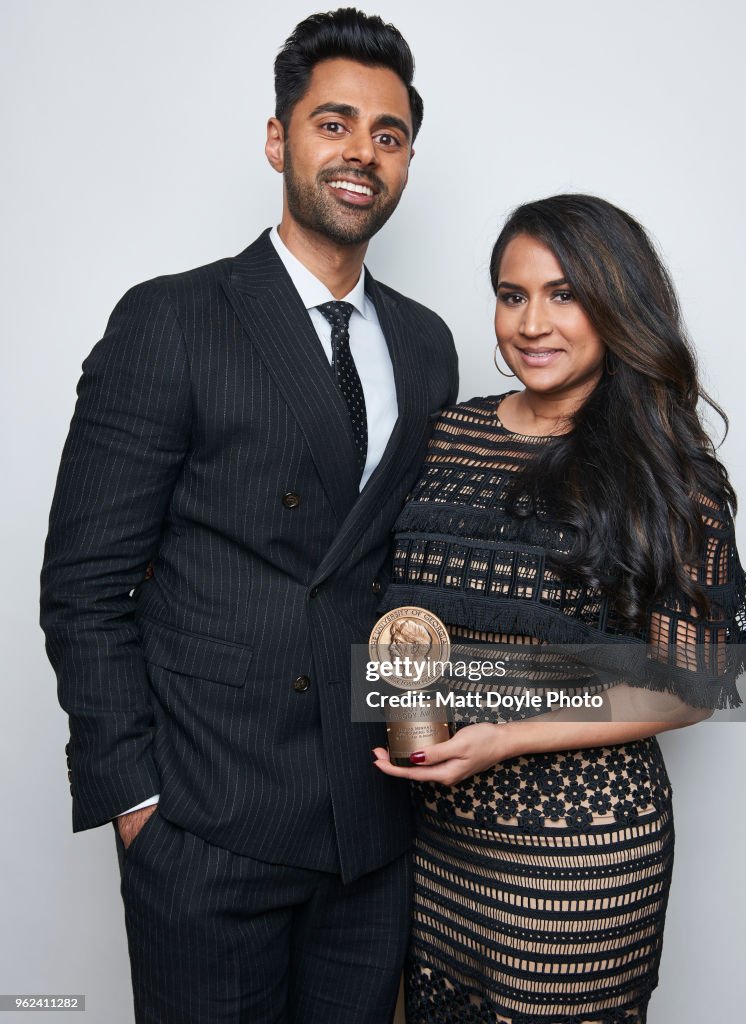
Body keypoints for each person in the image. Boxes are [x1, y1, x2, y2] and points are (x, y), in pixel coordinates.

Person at [40, 8, 458, 1022]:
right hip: (206, 828)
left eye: (388, 135)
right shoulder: (173, 319)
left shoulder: (426, 343)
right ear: (278, 139)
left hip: (371, 825)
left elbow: (404, 579)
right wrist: (138, 804)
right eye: (333, 122)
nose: (362, 152)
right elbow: (85, 588)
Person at [373, 194, 746, 1023]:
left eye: (563, 294)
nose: (531, 323)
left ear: (616, 304)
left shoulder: (665, 471)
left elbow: (697, 686)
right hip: (430, 844)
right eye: (512, 295)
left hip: (575, 860)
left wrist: (509, 734)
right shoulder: (446, 434)